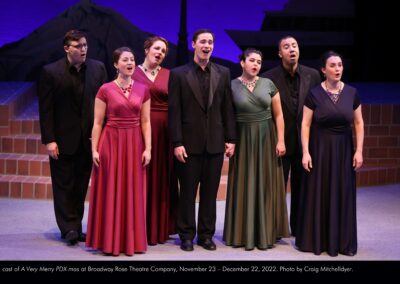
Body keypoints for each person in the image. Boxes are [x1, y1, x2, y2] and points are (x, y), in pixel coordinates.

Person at [168, 29, 237, 251]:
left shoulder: (223, 72)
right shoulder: (178, 74)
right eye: (202, 42)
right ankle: (186, 234)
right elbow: (174, 111)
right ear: (193, 44)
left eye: (210, 42)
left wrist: (231, 138)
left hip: (215, 143)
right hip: (188, 144)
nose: (206, 46)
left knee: (210, 192)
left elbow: (227, 107)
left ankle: (205, 235)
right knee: (187, 192)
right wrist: (177, 142)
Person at [38, 30, 107, 245]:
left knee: (79, 186)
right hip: (62, 139)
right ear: (67, 48)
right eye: (79, 46)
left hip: (88, 140)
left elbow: (104, 105)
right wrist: (49, 140)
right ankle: (67, 228)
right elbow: (46, 109)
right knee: (63, 185)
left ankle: (76, 226)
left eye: (85, 45)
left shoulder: (98, 68)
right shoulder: (51, 72)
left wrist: (101, 137)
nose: (83, 49)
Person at [295, 51, 364, 257]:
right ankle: (318, 239)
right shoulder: (314, 93)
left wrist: (359, 150)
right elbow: (305, 124)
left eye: (340, 65)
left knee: (342, 191)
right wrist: (305, 152)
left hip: (343, 150)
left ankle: (342, 241)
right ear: (323, 70)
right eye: (333, 66)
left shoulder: (352, 93)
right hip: (320, 149)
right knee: (320, 192)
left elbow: (359, 123)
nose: (337, 69)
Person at [86, 47, 151, 256]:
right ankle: (108, 239)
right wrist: (94, 149)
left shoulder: (143, 89)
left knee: (133, 190)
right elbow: (97, 122)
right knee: (110, 189)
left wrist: (148, 148)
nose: (130, 63)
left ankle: (130, 240)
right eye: (125, 60)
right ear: (116, 64)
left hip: (134, 143)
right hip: (111, 142)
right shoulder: (105, 89)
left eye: (132, 60)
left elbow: (146, 121)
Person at [223, 49, 289, 250]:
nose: (256, 64)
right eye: (251, 60)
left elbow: (278, 115)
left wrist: (281, 140)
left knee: (266, 182)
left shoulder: (268, 84)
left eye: (259, 62)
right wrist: (229, 140)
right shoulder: (231, 85)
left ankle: (266, 231)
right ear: (242, 62)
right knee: (244, 182)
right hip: (243, 139)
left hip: (266, 138)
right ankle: (241, 232)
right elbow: (227, 116)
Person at [261, 36, 320, 236]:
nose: (291, 49)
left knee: (302, 188)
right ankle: (276, 229)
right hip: (280, 142)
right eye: (286, 47)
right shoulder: (268, 77)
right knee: (276, 189)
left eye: (294, 45)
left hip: (305, 144)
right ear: (280, 54)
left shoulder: (313, 76)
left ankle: (298, 227)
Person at [132, 36, 178, 245]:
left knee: (162, 176)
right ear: (146, 49)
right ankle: (138, 224)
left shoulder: (170, 75)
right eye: (157, 49)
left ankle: (160, 225)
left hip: (165, 132)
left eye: (164, 51)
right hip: (139, 131)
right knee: (141, 176)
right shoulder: (132, 72)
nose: (160, 53)